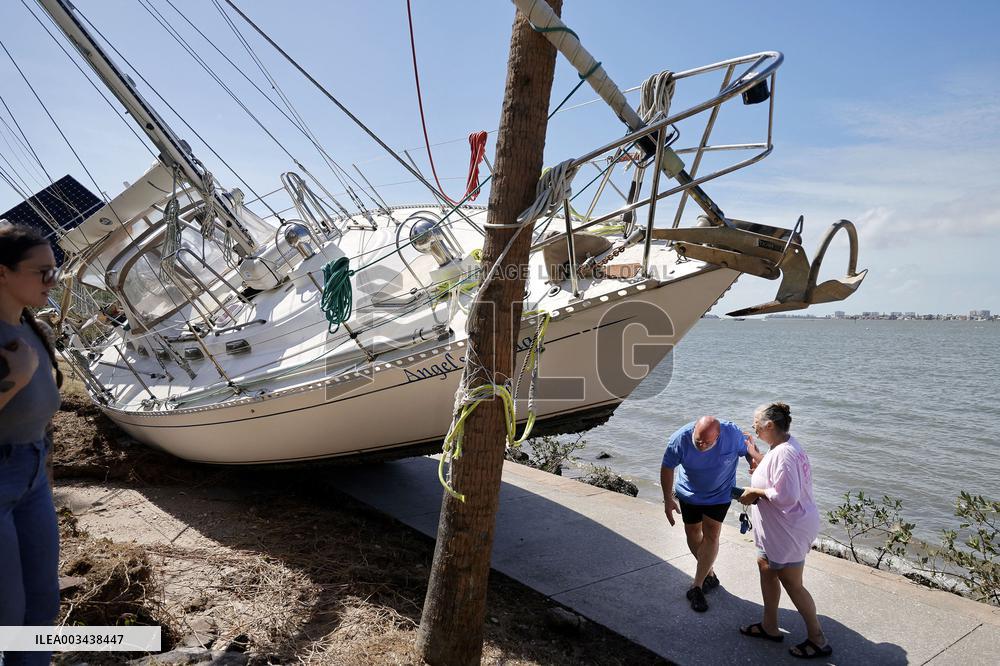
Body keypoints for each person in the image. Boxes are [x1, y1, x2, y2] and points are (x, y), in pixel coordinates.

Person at [0, 223, 64, 666]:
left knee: (42, 603)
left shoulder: (28, 326)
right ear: (2, 272)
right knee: (6, 610)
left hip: (32, 476)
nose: (52, 282)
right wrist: (16, 380)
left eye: (55, 272)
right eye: (42, 272)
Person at [738, 402, 832, 659]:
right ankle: (769, 626)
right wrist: (758, 458)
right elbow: (779, 475)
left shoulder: (785, 453)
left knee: (792, 583)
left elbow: (787, 496)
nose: (753, 427)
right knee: (765, 567)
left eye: (755, 423)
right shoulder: (782, 446)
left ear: (769, 425)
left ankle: (818, 639)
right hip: (777, 527)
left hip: (790, 527)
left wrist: (756, 491)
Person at [661, 415, 761, 612]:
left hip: (720, 494)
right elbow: (667, 467)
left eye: (708, 442)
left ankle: (696, 586)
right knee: (692, 533)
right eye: (698, 440)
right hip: (689, 493)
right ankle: (710, 574)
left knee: (712, 534)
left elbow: (748, 449)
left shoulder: (731, 434)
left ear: (718, 436)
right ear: (693, 432)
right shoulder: (679, 439)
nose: (702, 445)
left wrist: (753, 461)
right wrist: (667, 500)